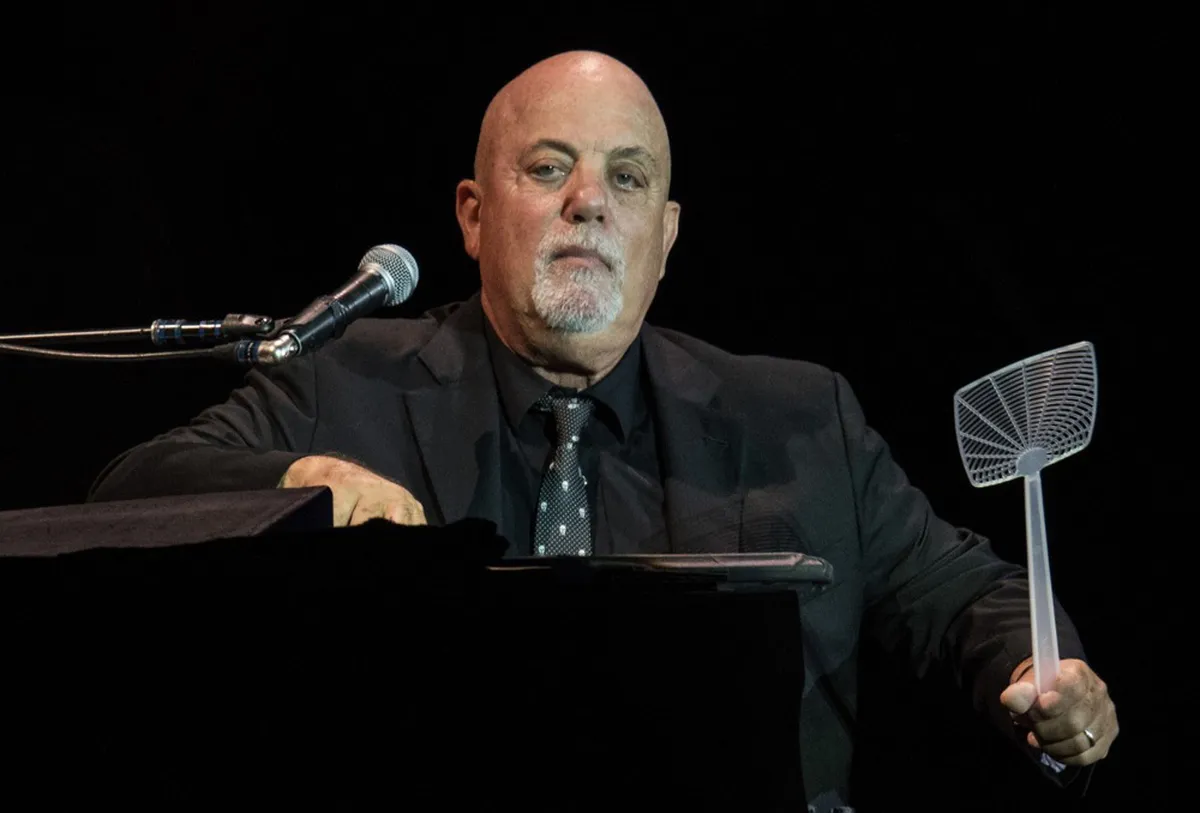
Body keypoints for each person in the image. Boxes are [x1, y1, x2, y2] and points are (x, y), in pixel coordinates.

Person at [89, 50, 1118, 809]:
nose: (589, 202)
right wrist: (299, 480)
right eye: (548, 169)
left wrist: (1041, 674)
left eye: (627, 178)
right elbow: (132, 491)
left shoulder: (802, 418)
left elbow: (969, 595)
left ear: (664, 235)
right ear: (473, 215)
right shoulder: (343, 380)